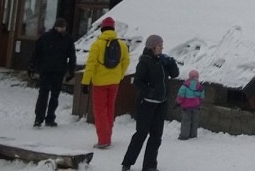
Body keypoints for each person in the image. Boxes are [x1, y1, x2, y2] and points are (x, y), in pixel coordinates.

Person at [122, 34, 179, 171]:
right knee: (141, 134)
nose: (162, 48)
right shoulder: (144, 62)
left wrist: (171, 63)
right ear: (152, 47)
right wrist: (150, 92)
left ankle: (149, 165)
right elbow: (137, 82)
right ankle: (127, 163)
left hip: (161, 104)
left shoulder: (162, 61)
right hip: (146, 104)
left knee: (156, 136)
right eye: (160, 45)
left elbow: (175, 74)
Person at [81, 16, 130, 149]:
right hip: (114, 82)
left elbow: (91, 65)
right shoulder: (121, 44)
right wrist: (119, 75)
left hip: (99, 83)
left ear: (102, 28)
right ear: (113, 28)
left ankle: (103, 139)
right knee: (110, 109)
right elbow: (126, 61)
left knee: (100, 111)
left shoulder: (97, 44)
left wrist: (85, 82)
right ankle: (108, 135)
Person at [29, 18, 76, 127]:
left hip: (58, 71)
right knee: (43, 95)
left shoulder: (67, 39)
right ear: (56, 26)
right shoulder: (46, 37)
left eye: (64, 27)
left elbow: (72, 56)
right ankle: (39, 118)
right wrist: (32, 66)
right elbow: (36, 52)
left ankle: (50, 117)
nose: (62, 29)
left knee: (54, 96)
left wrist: (71, 70)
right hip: (46, 70)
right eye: (60, 27)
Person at [175, 69, 205, 140]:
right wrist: (200, 104)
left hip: (186, 107)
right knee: (194, 121)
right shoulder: (200, 87)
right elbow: (202, 97)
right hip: (196, 107)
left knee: (186, 121)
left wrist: (178, 102)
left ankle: (184, 136)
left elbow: (181, 96)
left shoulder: (185, 86)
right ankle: (193, 135)